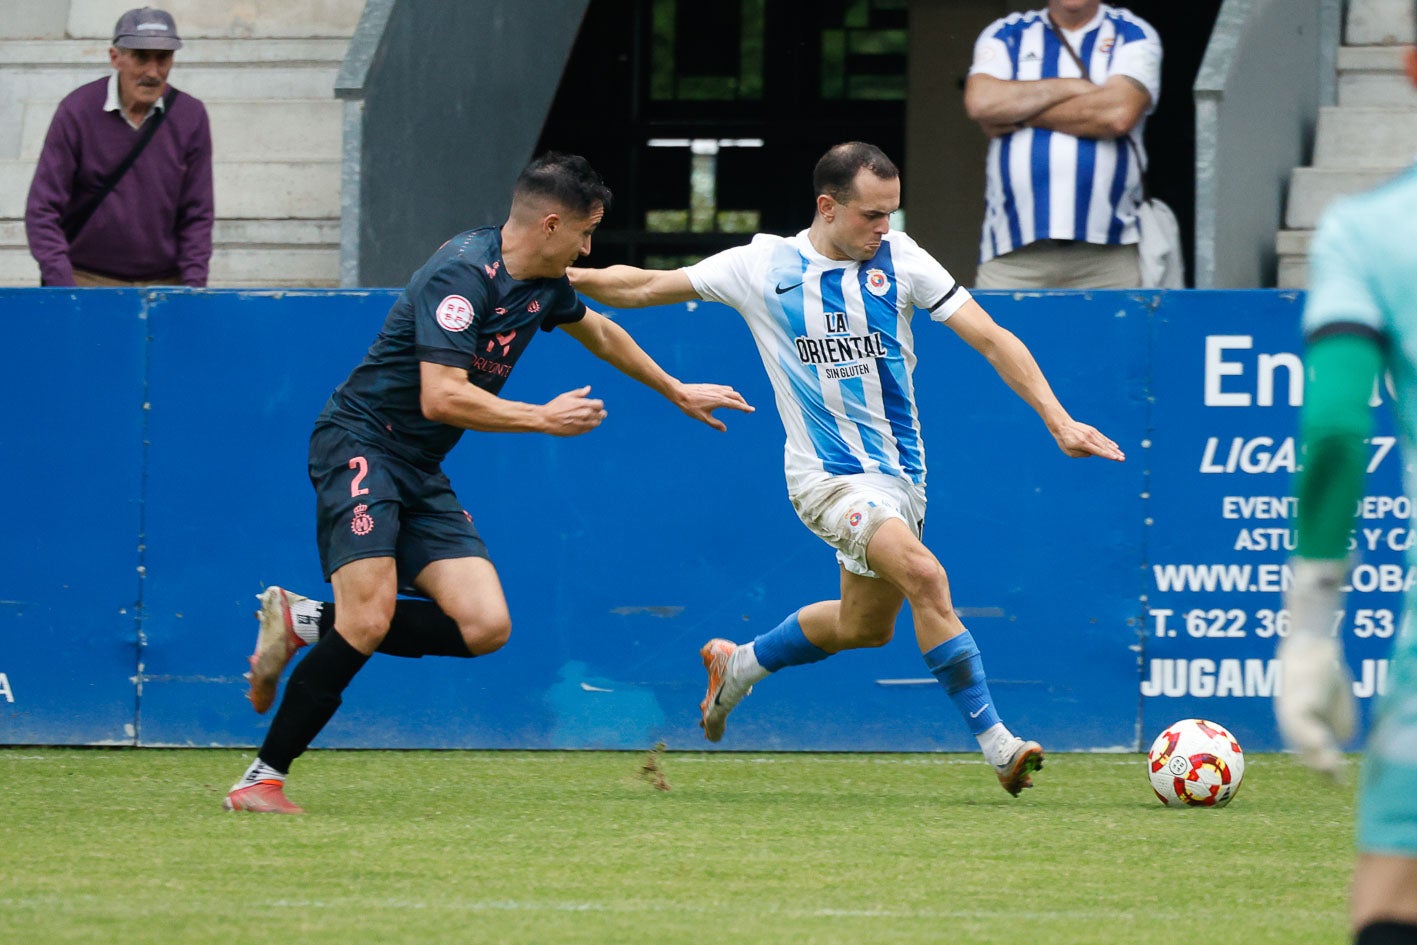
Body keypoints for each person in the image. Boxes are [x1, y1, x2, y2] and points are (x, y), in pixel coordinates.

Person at [568, 142, 1125, 796]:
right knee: (925, 573)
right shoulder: (762, 265)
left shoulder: (903, 259)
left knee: (864, 626)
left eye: (891, 212)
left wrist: (1056, 418)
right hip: (824, 479)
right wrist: (558, 276)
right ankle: (998, 745)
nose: (883, 227)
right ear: (826, 208)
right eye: (870, 215)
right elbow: (640, 285)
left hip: (900, 480)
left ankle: (737, 663)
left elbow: (991, 337)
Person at [224, 152, 752, 814]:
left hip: (416, 466)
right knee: (368, 618)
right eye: (585, 233)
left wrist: (675, 390)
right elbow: (442, 397)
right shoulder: (461, 275)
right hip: (359, 446)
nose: (587, 249)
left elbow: (603, 333)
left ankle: (304, 620)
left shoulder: (543, 281)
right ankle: (260, 778)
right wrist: (542, 417)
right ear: (552, 224)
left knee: (484, 625)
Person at [1276, 16, 1417, 941]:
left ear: (1407, 65)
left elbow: (1332, 428)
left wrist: (1311, 624)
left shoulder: (1370, 232)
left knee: (1391, 901)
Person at [963, 0, 1161, 289]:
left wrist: (1019, 115)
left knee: (1112, 335)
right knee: (1001, 334)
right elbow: (981, 102)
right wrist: (1073, 86)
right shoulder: (1007, 32)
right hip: (1012, 253)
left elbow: (1117, 116)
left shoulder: (1132, 33)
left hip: (1109, 253)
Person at [25, 7, 213, 287]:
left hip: (165, 284)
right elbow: (42, 209)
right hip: (87, 280)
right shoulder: (77, 111)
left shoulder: (190, 116)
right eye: (140, 57)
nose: (153, 71)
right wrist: (63, 287)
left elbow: (197, 212)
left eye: (163, 58)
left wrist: (192, 289)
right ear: (115, 58)